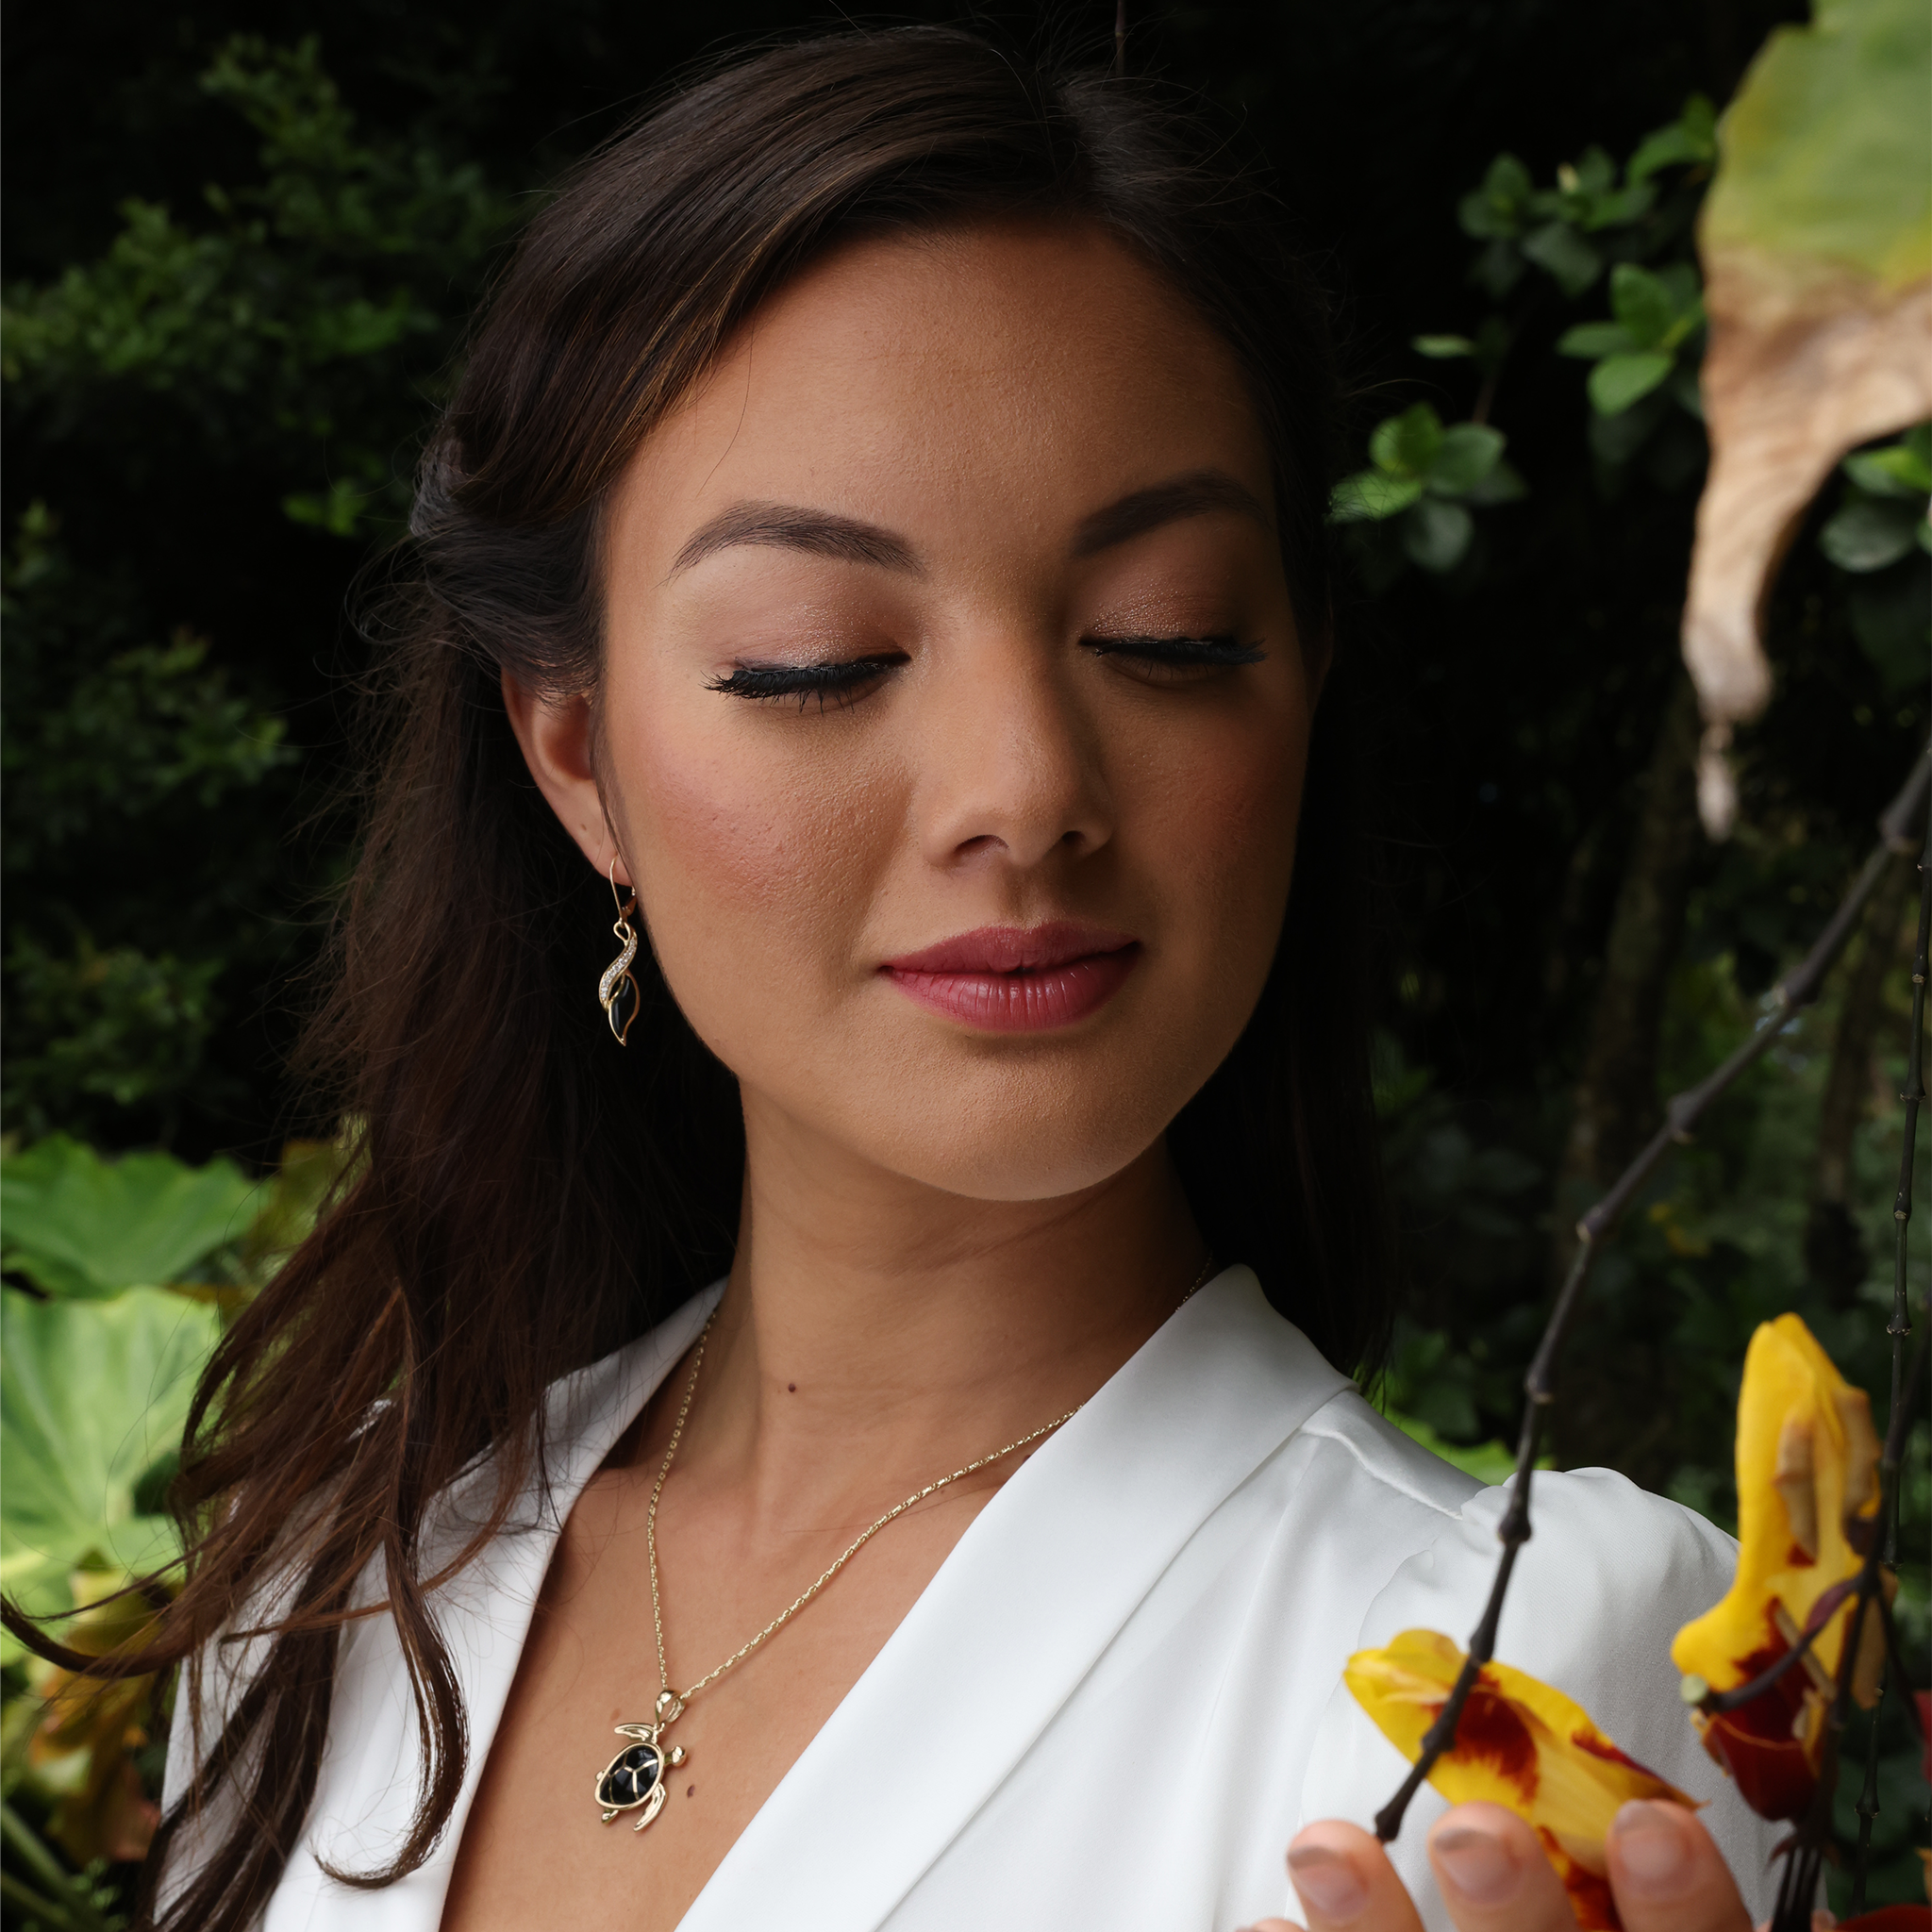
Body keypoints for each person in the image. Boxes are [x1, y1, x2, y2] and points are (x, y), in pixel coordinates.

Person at [84, 28, 1779, 1932]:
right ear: (577, 758)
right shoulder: (343, 1573)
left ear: (1298, 688)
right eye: (816, 659)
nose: (1025, 792)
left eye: (1167, 636)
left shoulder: (1500, 1662)